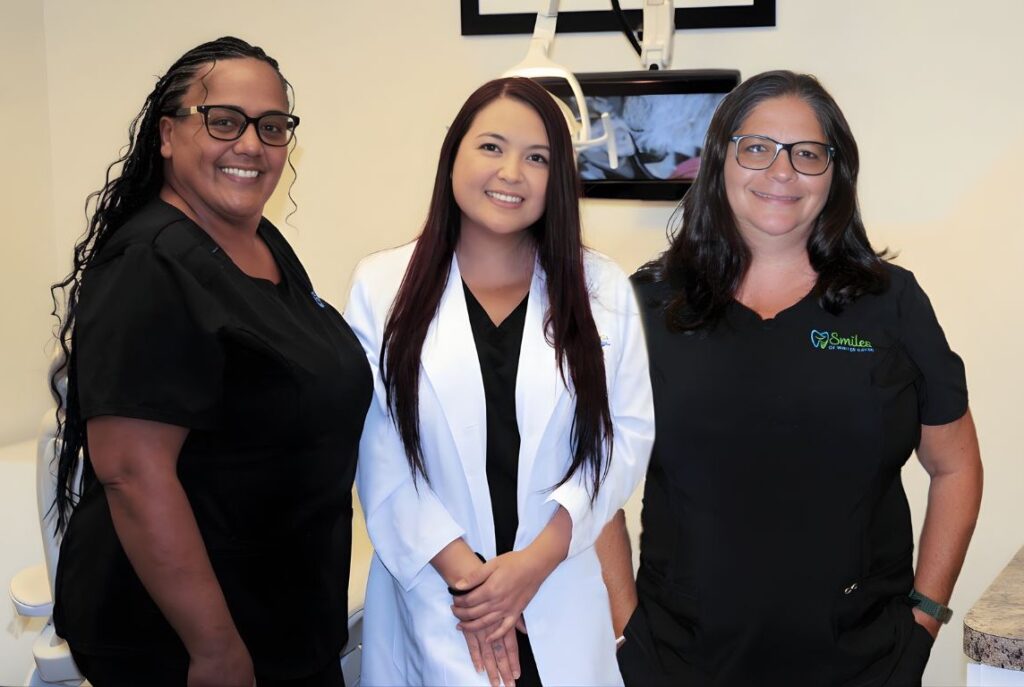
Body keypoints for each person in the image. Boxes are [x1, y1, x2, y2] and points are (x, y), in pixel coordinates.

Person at [599, 70, 983, 686]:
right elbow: (592, 476)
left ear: (836, 173)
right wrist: (625, 629)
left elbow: (956, 465)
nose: (782, 172)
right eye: (757, 148)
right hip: (682, 661)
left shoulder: (891, 304)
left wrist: (925, 619)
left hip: (863, 662)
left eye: (807, 154)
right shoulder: (646, 306)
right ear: (719, 159)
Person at [49, 37, 371, 687]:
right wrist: (215, 648)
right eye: (224, 121)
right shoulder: (150, 264)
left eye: (272, 126)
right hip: (187, 644)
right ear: (168, 135)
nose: (251, 144)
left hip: (280, 618)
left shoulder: (259, 243)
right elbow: (133, 473)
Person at [344, 76, 655, 687]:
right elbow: (376, 452)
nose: (512, 172)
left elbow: (621, 440)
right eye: (491, 147)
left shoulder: (601, 289)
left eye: (538, 158)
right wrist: (475, 588)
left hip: (557, 594)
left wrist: (531, 566)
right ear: (453, 155)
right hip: (438, 601)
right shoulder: (380, 286)